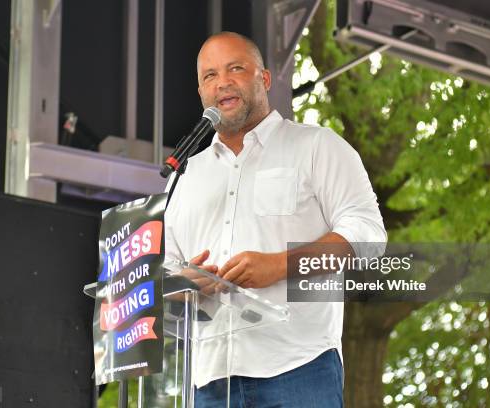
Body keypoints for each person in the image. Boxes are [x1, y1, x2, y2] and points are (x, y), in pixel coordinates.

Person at [164, 31, 386, 407]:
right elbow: (163, 271)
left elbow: (368, 237)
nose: (223, 83)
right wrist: (186, 283)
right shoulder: (183, 176)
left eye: (236, 68)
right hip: (208, 382)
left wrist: (281, 264)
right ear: (202, 93)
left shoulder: (317, 146)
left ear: (264, 79)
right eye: (210, 76)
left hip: (300, 369)